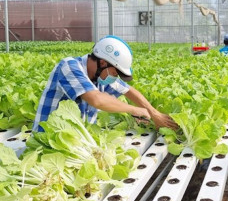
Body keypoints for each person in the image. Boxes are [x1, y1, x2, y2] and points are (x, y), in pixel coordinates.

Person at [33, 35, 177, 132]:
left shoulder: (99, 76)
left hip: (74, 142)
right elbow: (97, 99)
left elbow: (128, 90)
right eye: (115, 73)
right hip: (48, 141)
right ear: (103, 62)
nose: (114, 78)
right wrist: (133, 110)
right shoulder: (69, 66)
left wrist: (154, 113)